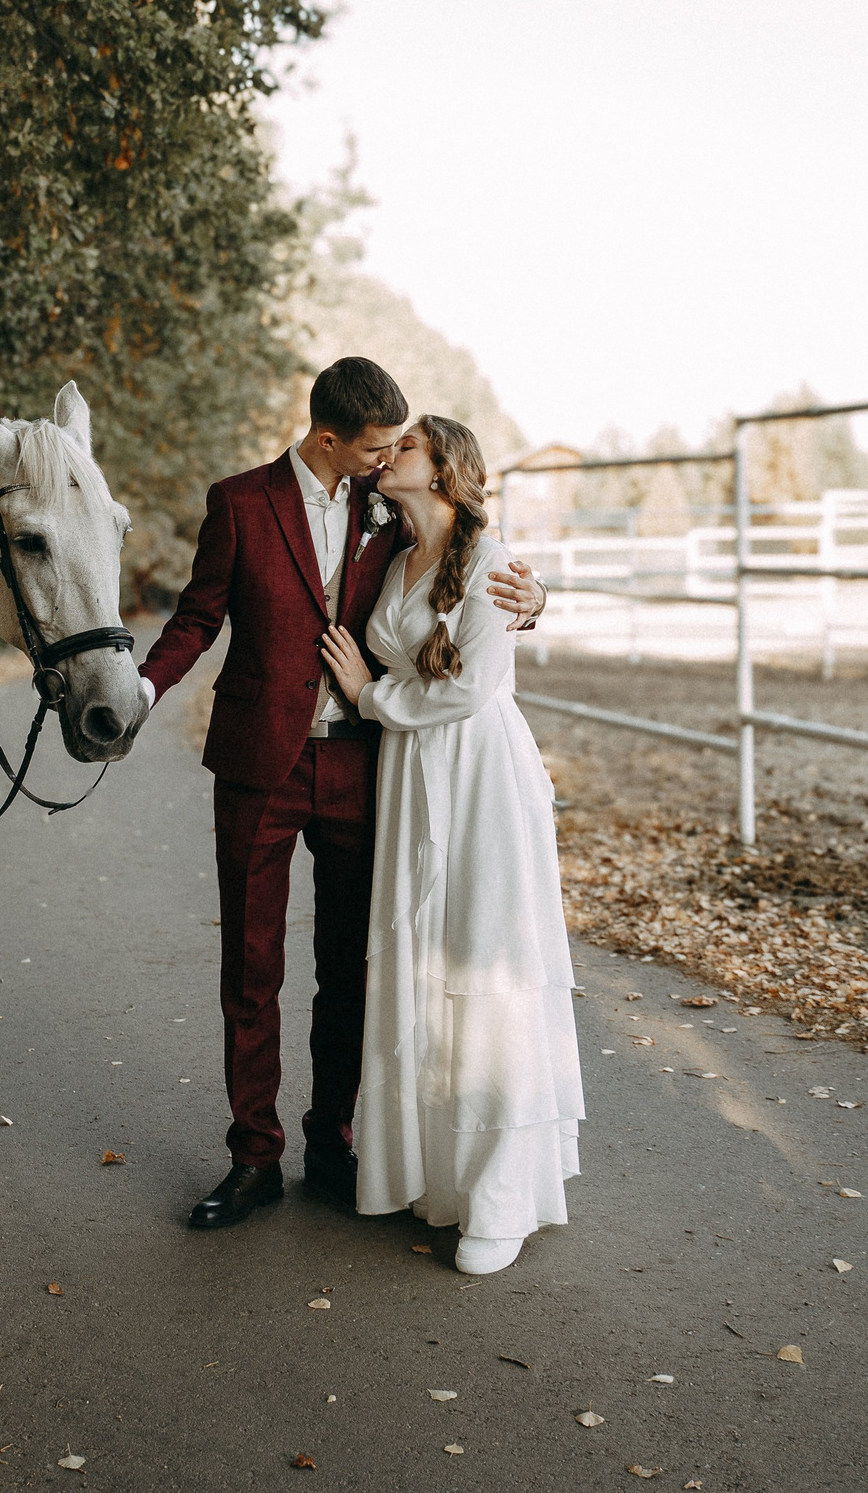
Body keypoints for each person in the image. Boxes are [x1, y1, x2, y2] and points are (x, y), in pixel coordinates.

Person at [138, 360, 548, 1230]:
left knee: (352, 970)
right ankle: (253, 1157)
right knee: (251, 969)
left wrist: (536, 598)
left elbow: (467, 557)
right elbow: (198, 616)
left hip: (367, 765)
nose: (386, 456)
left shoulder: (389, 509)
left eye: (397, 447)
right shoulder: (241, 503)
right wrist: (143, 689)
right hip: (260, 764)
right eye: (373, 446)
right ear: (328, 439)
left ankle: (333, 1142)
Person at [318, 415, 584, 1276]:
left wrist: (368, 696)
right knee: (422, 962)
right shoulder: (396, 560)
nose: (388, 454)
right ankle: (436, 1176)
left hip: (479, 780)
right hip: (410, 776)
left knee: (486, 962)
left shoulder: (497, 566)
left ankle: (502, 1196)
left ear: (444, 471)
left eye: (408, 447)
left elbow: (472, 689)